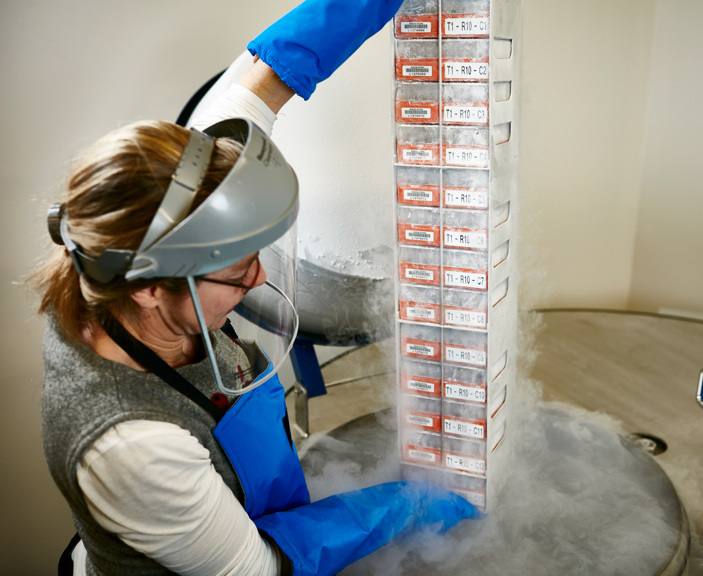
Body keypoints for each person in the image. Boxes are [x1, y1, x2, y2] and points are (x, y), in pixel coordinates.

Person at [32, 1, 479, 575]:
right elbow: (258, 568)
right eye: (239, 269)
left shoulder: (166, 207)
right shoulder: (131, 447)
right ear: (149, 289)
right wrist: (403, 506)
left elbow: (263, 81)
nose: (260, 278)